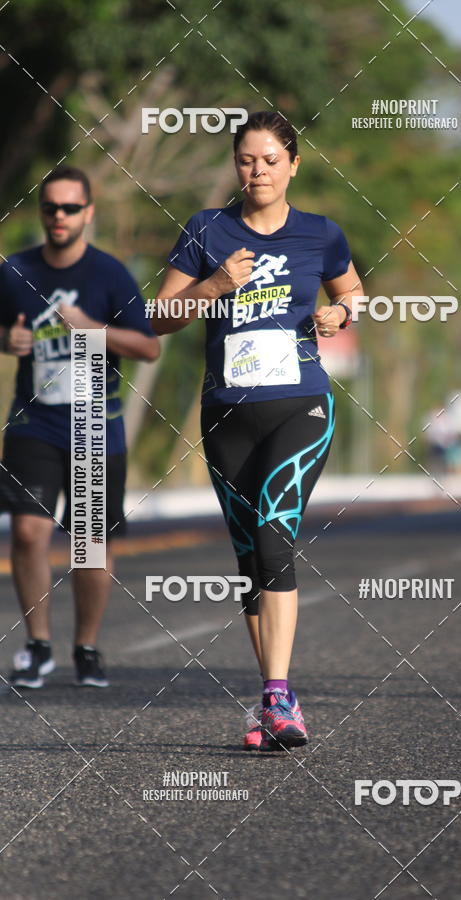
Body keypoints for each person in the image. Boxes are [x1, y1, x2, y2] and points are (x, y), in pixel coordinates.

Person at [153, 111, 364, 751]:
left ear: (294, 164)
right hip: (225, 413)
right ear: (235, 166)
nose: (258, 171)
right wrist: (215, 284)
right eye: (247, 160)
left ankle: (278, 694)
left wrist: (340, 313)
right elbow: (160, 317)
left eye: (271, 159)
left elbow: (354, 293)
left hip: (300, 404)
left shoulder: (320, 233)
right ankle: (274, 702)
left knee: (274, 535)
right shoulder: (206, 229)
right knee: (250, 555)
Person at [0, 166, 160, 689]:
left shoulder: (110, 275)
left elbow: (148, 347)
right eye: (51, 207)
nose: (60, 216)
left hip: (95, 426)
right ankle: (38, 645)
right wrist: (8, 341)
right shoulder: (15, 271)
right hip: (34, 422)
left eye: (70, 207)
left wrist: (94, 328)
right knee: (28, 531)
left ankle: (86, 647)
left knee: (90, 546)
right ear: (41, 212)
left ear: (88, 212)